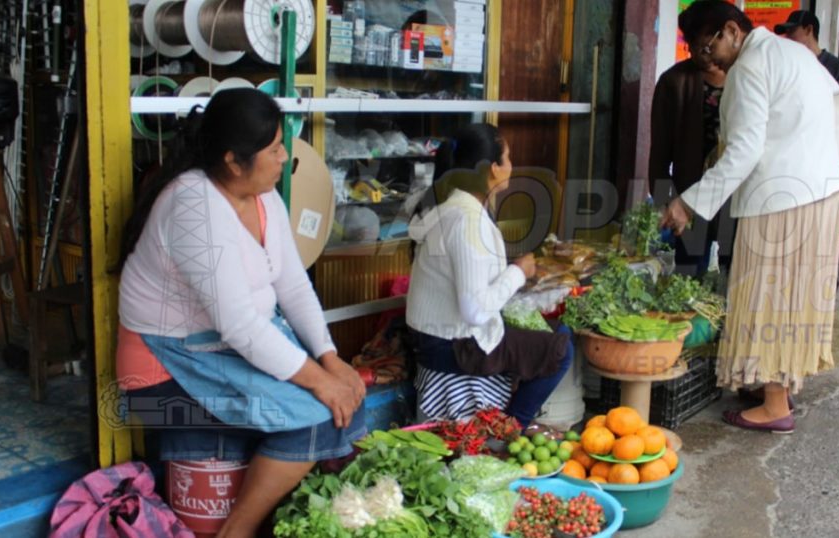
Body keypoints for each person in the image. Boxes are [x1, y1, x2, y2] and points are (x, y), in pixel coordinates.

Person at [116, 89, 366, 538]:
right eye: (273, 149)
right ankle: (238, 532)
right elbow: (240, 325)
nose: (284, 157)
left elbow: (293, 284)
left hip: (223, 348)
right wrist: (319, 382)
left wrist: (331, 359)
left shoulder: (262, 194)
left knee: (346, 401)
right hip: (167, 364)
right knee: (317, 414)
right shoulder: (194, 206)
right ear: (234, 160)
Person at [661, 1, 839, 434]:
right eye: (695, 52)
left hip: (780, 198)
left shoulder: (748, 67)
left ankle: (775, 405)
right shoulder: (794, 53)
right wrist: (835, 164)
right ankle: (776, 386)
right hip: (820, 192)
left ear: (732, 30)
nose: (706, 60)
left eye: (707, 48)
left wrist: (686, 203)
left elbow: (745, 150)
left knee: (768, 298)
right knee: (794, 295)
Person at [405, 123, 573, 426]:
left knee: (549, 333)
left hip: (434, 338)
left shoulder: (450, 206)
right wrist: (518, 272)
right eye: (508, 159)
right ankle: (509, 428)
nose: (512, 166)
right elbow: (475, 310)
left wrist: (517, 272)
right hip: (453, 346)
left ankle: (503, 422)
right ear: (493, 168)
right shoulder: (467, 220)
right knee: (561, 347)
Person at [649, 32, 733, 275]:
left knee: (736, 272)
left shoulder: (743, 77)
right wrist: (665, 200)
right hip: (690, 192)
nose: (702, 53)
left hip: (733, 190)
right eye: (694, 46)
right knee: (688, 273)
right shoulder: (674, 81)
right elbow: (660, 151)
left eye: (707, 47)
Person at [776, 10, 839, 103]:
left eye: (792, 31)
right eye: (786, 33)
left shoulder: (838, 68)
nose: (787, 37)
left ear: (809, 29)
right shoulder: (787, 67)